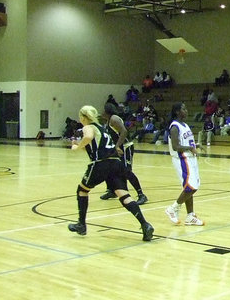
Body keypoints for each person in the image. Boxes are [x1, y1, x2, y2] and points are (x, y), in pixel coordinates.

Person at [67, 105, 153, 241]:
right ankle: (145, 224)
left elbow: (88, 137)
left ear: (83, 117)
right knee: (124, 195)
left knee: (82, 190)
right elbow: (95, 145)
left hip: (101, 163)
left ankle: (81, 225)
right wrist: (79, 145)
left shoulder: (88, 127)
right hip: (115, 163)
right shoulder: (102, 129)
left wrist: (77, 147)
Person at [164, 102, 205, 226]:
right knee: (191, 187)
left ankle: (190, 216)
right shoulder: (174, 127)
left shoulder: (185, 125)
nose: (186, 111)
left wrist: (195, 145)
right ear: (177, 112)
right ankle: (173, 208)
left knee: (191, 186)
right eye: (184, 109)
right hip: (182, 159)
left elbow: (185, 142)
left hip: (190, 158)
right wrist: (190, 148)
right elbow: (176, 146)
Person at [99, 102, 148, 205]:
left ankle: (141, 195)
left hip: (125, 147)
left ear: (107, 111)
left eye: (103, 110)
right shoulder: (108, 120)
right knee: (109, 168)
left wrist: (117, 146)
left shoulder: (114, 119)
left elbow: (124, 131)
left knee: (127, 171)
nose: (102, 112)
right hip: (117, 148)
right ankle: (112, 191)